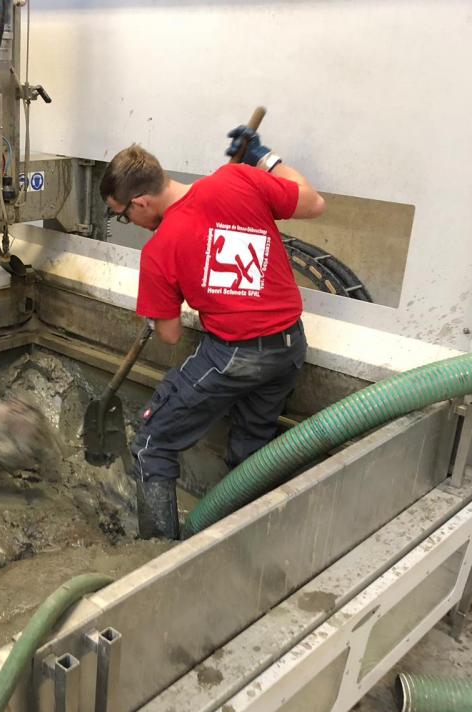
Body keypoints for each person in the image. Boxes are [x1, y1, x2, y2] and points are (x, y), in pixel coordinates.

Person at [100, 126, 325, 540]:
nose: (128, 222)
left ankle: (157, 561)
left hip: (236, 356)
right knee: (251, 456)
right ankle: (244, 542)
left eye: (123, 214)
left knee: (152, 447)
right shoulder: (237, 179)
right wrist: (265, 158)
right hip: (290, 347)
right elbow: (314, 202)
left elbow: (168, 335)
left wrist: (159, 305)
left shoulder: (160, 248)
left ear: (141, 201)